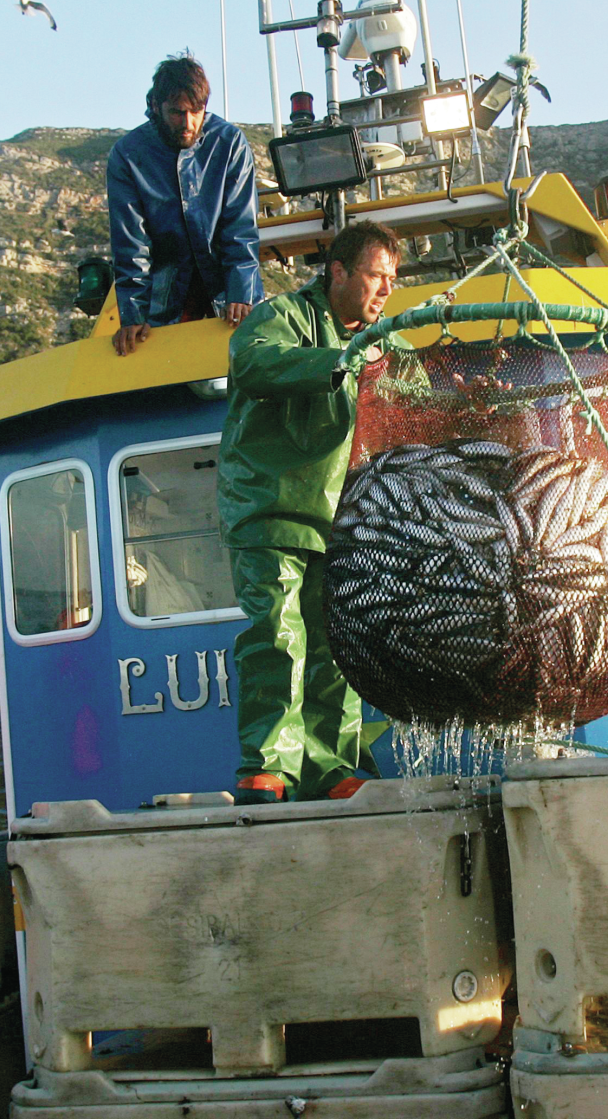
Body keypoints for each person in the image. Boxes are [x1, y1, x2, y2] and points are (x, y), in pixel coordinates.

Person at [218, 221, 402, 804]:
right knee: (278, 635)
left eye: (392, 280)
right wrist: (339, 363)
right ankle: (267, 767)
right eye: (376, 275)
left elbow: (414, 397)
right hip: (270, 508)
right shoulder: (280, 318)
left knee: (335, 646)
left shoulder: (384, 342)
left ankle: (332, 770)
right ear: (338, 272)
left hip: (340, 522)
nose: (385, 290)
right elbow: (253, 363)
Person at [107, 55, 264, 355]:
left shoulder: (230, 143)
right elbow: (130, 243)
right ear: (155, 107)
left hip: (230, 287)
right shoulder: (127, 156)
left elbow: (240, 227)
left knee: (247, 367)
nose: (188, 123)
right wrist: (133, 315)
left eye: (197, 112)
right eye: (177, 113)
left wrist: (241, 291)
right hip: (165, 296)